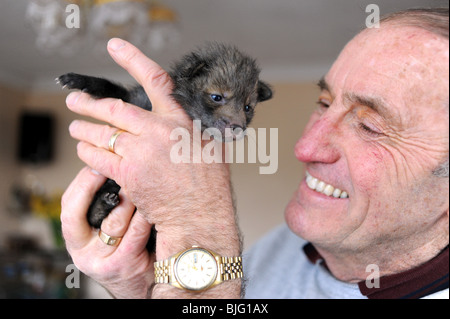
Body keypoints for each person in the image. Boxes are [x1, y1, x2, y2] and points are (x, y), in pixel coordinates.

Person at [61, 8, 449, 299]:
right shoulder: (289, 245)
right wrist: (138, 285)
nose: (304, 147)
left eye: (370, 126)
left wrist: (197, 219)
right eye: (323, 102)